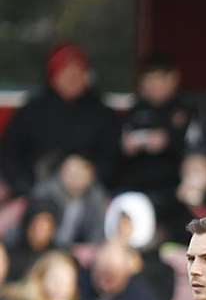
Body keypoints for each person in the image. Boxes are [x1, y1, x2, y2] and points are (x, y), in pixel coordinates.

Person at [0, 43, 120, 196]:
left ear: (86, 77)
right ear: (53, 76)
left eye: (78, 72)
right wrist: (26, 188)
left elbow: (111, 159)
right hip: (35, 191)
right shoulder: (30, 111)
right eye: (65, 71)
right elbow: (10, 155)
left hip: (87, 193)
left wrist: (90, 178)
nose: (72, 77)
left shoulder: (104, 114)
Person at [117, 53, 204, 207]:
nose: (153, 85)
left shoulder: (186, 110)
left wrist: (169, 140)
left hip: (174, 185)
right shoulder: (136, 110)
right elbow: (119, 151)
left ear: (173, 79)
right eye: (148, 79)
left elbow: (197, 151)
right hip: (136, 184)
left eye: (158, 78)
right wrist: (126, 146)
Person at [32, 154, 108, 248]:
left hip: (79, 250)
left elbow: (97, 231)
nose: (74, 178)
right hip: (47, 247)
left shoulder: (96, 198)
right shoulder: (46, 193)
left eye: (79, 174)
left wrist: (89, 248)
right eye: (70, 173)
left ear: (90, 176)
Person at [8, 200, 62, 282]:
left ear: (52, 230)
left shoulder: (59, 257)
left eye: (44, 228)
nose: (39, 232)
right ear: (28, 227)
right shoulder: (12, 255)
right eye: (36, 226)